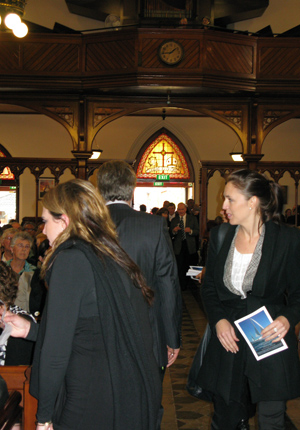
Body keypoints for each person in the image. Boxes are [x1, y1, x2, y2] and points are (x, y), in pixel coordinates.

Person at [4, 179, 161, 430]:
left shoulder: (70, 259)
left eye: (46, 221)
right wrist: (31, 330)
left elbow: (56, 351)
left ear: (64, 221)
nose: (42, 230)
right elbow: (89, 327)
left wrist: (43, 416)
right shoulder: (107, 251)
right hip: (121, 388)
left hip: (88, 396)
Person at [197, 169, 300, 430]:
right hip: (229, 338)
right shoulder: (221, 236)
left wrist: (288, 319)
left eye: (230, 199)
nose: (223, 206)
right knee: (226, 417)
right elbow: (209, 287)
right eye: (224, 199)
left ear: (253, 201)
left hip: (267, 335)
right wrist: (218, 320)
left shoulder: (287, 239)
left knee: (271, 418)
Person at [97, 160, 182, 428]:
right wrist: (172, 338)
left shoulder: (86, 225)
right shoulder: (153, 226)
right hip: (147, 332)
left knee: (104, 406)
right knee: (147, 404)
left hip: (98, 332)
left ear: (99, 189)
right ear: (131, 189)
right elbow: (168, 282)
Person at [170, 202, 199, 290]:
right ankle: (181, 285)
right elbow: (171, 232)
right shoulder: (174, 220)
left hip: (189, 245)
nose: (180, 211)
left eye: (182, 209)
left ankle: (189, 283)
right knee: (180, 265)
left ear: (185, 209)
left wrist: (190, 231)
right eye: (179, 209)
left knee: (189, 264)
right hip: (179, 245)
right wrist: (174, 230)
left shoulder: (192, 218)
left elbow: (197, 231)